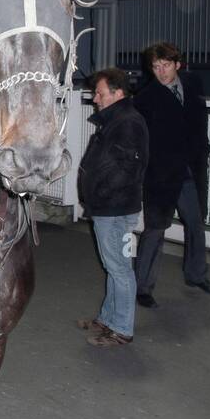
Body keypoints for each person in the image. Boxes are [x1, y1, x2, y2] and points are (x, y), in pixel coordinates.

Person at [132, 42, 210, 306]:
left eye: (166, 66)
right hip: (160, 174)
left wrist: (203, 150)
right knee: (155, 229)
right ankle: (143, 288)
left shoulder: (194, 84)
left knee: (196, 223)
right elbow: (140, 139)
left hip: (190, 170)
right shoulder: (145, 98)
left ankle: (196, 275)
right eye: (156, 67)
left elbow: (197, 120)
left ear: (178, 65)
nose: (160, 72)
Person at [75, 68, 148, 347]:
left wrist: (100, 195)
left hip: (114, 208)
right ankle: (107, 319)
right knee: (113, 265)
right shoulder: (117, 120)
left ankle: (121, 329)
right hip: (108, 207)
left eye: (100, 93)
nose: (95, 98)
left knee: (119, 269)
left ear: (118, 94)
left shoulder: (127, 122)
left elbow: (127, 169)